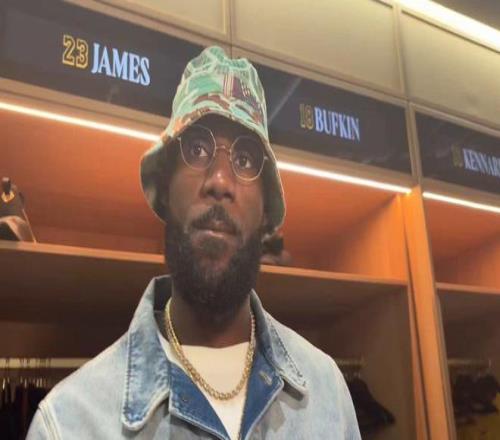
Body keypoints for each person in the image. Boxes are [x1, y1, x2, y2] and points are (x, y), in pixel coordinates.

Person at [27, 46, 361, 439]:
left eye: (246, 159)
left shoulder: (327, 394)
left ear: (265, 212)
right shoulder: (67, 424)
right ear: (166, 189)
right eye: (197, 149)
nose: (219, 181)